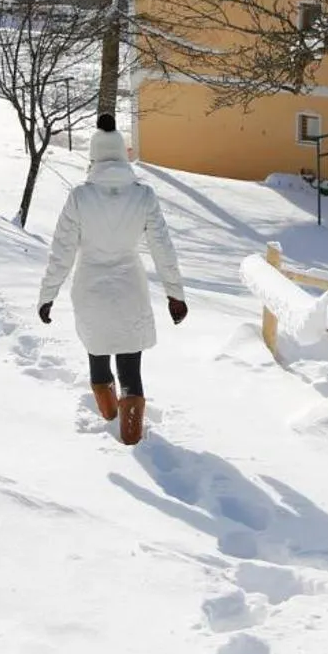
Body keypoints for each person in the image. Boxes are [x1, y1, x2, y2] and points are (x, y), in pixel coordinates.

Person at [38, 113, 188, 444]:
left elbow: (61, 251)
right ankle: (131, 435)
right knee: (130, 366)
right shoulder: (143, 195)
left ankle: (109, 417)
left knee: (98, 351)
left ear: (94, 157)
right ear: (122, 155)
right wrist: (174, 293)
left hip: (90, 289)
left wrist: (47, 295)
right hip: (130, 288)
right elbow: (163, 247)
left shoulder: (80, 197)